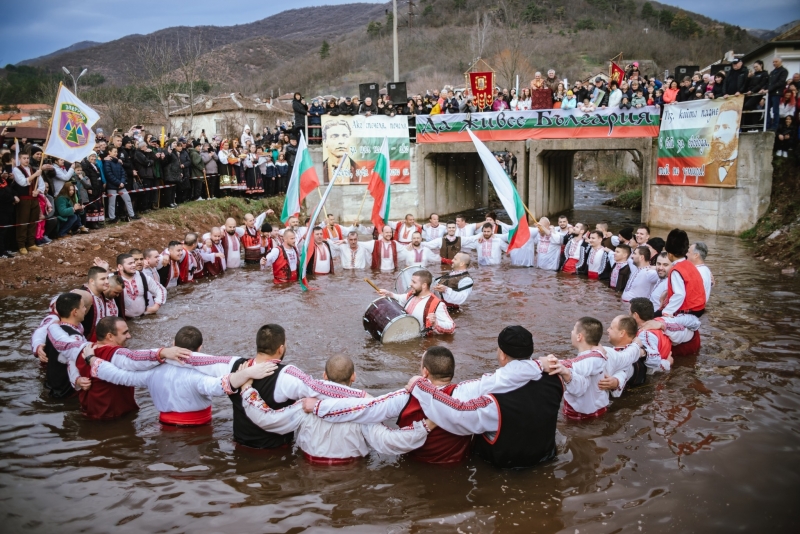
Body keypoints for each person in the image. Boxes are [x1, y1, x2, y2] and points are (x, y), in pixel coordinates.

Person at [403, 326, 563, 469]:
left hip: (504, 468)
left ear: (502, 355)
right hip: (546, 457)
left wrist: (421, 386)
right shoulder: (555, 379)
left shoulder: (493, 400)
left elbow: (458, 413)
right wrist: (539, 364)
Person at [241, 354, 433, 464]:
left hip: (309, 469)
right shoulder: (365, 407)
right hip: (352, 470)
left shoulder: (305, 404)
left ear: (324, 376)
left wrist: (246, 388)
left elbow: (267, 419)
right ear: (354, 377)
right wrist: (426, 426)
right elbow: (389, 441)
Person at [300, 348, 471, 464]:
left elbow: (370, 409)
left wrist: (318, 407)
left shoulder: (406, 397)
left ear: (424, 372)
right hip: (458, 463)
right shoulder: (468, 397)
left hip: (417, 462)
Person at [85, 324, 275, 426]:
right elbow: (220, 386)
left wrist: (92, 360)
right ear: (200, 349)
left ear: (173, 344)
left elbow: (120, 376)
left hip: (164, 426)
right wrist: (249, 372)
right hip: (198, 428)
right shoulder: (197, 376)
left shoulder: (152, 373)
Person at [227, 324, 367, 450]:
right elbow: (316, 388)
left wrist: (245, 380)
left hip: (239, 446)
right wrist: (363, 397)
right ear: (281, 349)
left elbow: (207, 373)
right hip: (274, 451)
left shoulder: (235, 366)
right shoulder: (287, 375)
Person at [73, 317, 193, 420]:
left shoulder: (85, 349)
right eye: (125, 333)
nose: (129, 336)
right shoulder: (113, 352)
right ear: (110, 336)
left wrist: (77, 379)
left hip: (90, 413)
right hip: (113, 416)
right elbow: (134, 358)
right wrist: (162, 353)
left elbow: (71, 367)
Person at [547, 317, 608, 419]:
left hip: (578, 414)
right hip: (601, 409)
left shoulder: (586, 361)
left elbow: (578, 388)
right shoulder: (600, 356)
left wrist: (546, 363)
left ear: (579, 336)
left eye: (573, 329)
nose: (571, 332)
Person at [379, 270, 455, 335]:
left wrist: (436, 323)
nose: (410, 284)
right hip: (404, 334)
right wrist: (389, 294)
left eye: (414, 282)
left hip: (421, 342)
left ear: (424, 285)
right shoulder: (412, 294)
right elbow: (401, 298)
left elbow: (451, 327)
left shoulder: (437, 304)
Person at [44, 293, 91, 398]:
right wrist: (78, 380)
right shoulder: (75, 337)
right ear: (75, 312)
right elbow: (73, 363)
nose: (85, 310)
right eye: (83, 307)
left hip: (52, 385)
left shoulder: (53, 329)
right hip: (66, 390)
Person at [660, 229, 706, 318]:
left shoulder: (676, 270)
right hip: (699, 308)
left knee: (652, 317)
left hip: (689, 310)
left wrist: (666, 312)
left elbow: (679, 295)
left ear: (670, 254)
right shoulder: (690, 265)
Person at [599, 316, 647, 399]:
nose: (608, 330)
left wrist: (616, 382)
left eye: (611, 328)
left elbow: (627, 370)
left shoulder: (631, 360)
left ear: (622, 333)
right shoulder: (638, 351)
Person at [11, 151, 45, 254]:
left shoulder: (33, 169)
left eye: (27, 158)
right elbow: (22, 182)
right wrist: (35, 174)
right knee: (23, 222)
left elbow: (42, 184)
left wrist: (38, 191)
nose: (26, 160)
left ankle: (31, 243)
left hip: (34, 199)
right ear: (20, 159)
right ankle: (21, 245)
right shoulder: (17, 170)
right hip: (24, 200)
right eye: (24, 158)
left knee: (33, 222)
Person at [116, 253, 166, 317]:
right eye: (130, 263)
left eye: (134, 262)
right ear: (120, 266)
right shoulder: (113, 279)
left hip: (143, 318)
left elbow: (160, 289)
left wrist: (156, 306)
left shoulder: (142, 276)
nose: (134, 265)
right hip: (125, 321)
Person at [103, 146, 137, 224]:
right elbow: (109, 174)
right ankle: (112, 218)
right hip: (112, 186)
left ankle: (132, 214)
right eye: (114, 151)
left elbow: (123, 173)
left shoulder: (118, 162)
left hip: (121, 185)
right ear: (109, 152)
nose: (116, 153)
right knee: (112, 202)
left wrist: (122, 182)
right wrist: (118, 183)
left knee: (127, 199)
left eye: (116, 152)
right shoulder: (107, 162)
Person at [767, 57, 789, 130]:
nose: (774, 63)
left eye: (776, 62)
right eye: (773, 62)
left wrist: (770, 89)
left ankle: (775, 125)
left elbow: (780, 82)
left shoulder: (783, 71)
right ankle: (767, 124)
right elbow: (769, 82)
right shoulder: (772, 72)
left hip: (777, 93)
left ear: (780, 62)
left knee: (775, 110)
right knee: (767, 109)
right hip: (770, 93)